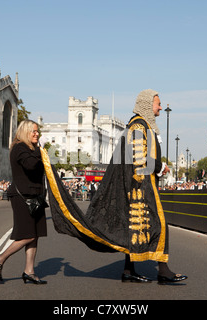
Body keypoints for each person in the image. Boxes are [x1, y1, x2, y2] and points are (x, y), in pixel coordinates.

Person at [41, 89, 186, 285]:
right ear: (147, 104)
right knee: (158, 225)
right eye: (158, 103)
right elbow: (138, 158)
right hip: (139, 188)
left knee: (134, 229)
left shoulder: (140, 126)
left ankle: (129, 271)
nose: (160, 107)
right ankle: (163, 271)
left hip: (138, 186)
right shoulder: (138, 126)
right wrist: (161, 167)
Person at [0, 120, 47, 285]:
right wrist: (40, 149)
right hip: (23, 196)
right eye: (34, 131)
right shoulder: (19, 147)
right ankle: (0, 259)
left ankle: (29, 271)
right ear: (25, 132)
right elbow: (30, 165)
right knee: (27, 235)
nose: (37, 134)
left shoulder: (30, 149)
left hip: (36, 196)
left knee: (35, 236)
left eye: (38, 131)